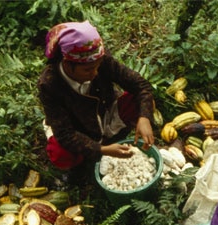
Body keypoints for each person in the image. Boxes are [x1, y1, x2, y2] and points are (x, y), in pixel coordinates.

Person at [37, 20, 155, 172]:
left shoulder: (99, 59)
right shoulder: (50, 84)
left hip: (104, 112)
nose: (95, 73)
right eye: (88, 70)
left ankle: (110, 137)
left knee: (141, 103)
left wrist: (144, 117)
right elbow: (65, 134)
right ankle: (81, 166)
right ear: (67, 64)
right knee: (60, 154)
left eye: (98, 67)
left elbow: (140, 85)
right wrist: (102, 150)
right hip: (77, 128)